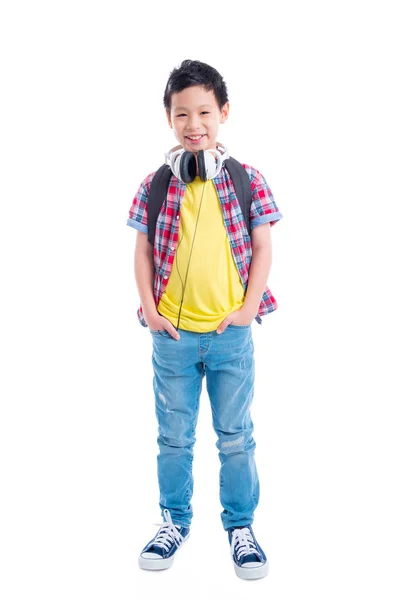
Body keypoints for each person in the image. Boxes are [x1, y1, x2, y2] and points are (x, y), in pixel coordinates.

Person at [126, 59, 283, 580]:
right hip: (171, 336)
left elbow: (262, 247)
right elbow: (144, 251)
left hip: (229, 336)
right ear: (168, 119)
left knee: (235, 435)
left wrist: (244, 311)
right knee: (173, 438)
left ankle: (241, 527)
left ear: (224, 114)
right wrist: (149, 311)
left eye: (204, 112)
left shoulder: (246, 179)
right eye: (181, 114)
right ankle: (174, 521)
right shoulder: (156, 185)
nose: (194, 124)